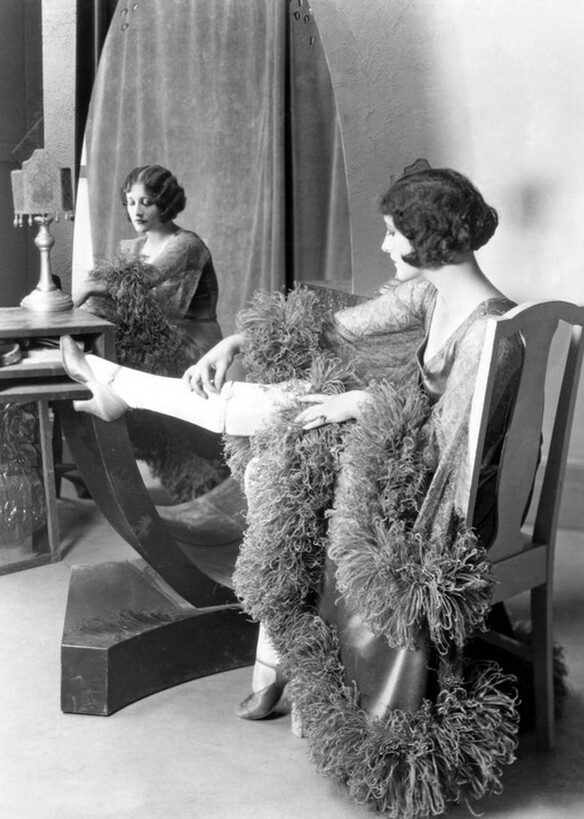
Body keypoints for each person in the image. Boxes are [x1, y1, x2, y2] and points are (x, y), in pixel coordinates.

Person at [59, 164, 525, 817]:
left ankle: (118, 389)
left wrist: (362, 403)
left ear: (429, 237)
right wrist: (239, 339)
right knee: (277, 431)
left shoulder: (485, 333)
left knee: (276, 448)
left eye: (394, 234)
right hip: (396, 458)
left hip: (421, 500)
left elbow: (449, 454)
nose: (386, 245)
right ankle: (121, 390)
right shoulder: (434, 295)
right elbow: (342, 324)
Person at [75, 164, 225, 500]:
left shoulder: (187, 244)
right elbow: (124, 299)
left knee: (113, 374)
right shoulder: (135, 246)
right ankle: (104, 463)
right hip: (153, 336)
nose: (137, 211)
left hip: (192, 343)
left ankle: (185, 471)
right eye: (131, 202)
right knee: (97, 364)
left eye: (147, 202)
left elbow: (144, 280)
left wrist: (86, 289)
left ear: (166, 203)